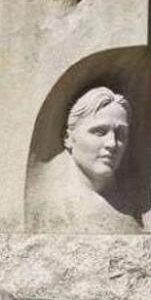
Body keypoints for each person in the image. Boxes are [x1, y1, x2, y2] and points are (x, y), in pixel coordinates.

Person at [25, 86, 140, 233]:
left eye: (120, 134)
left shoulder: (132, 209)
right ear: (68, 138)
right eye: (99, 132)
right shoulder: (48, 205)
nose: (112, 143)